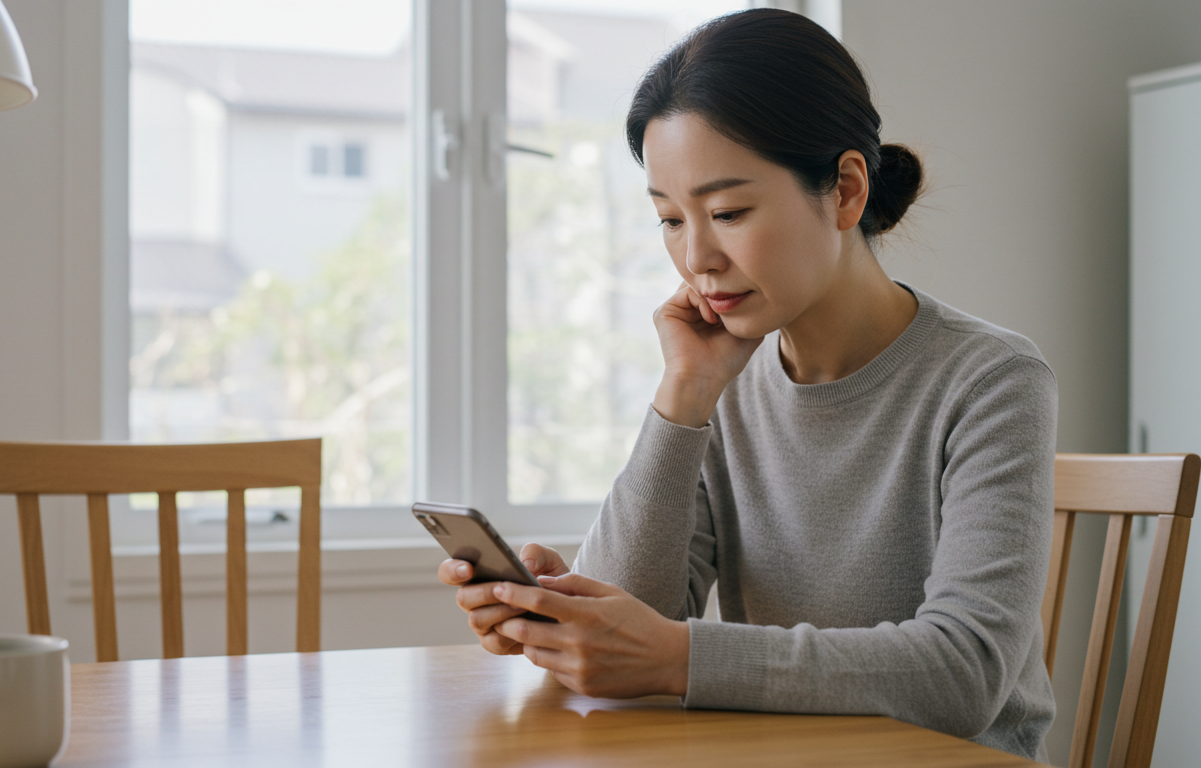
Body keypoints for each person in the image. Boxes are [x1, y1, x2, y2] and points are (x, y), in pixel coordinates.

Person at [437, 8, 1057, 762]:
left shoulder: (992, 380)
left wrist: (679, 657)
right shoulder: (723, 377)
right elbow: (638, 618)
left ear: (846, 191)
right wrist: (683, 397)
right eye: (669, 219)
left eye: (728, 211)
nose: (696, 256)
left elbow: (965, 674)